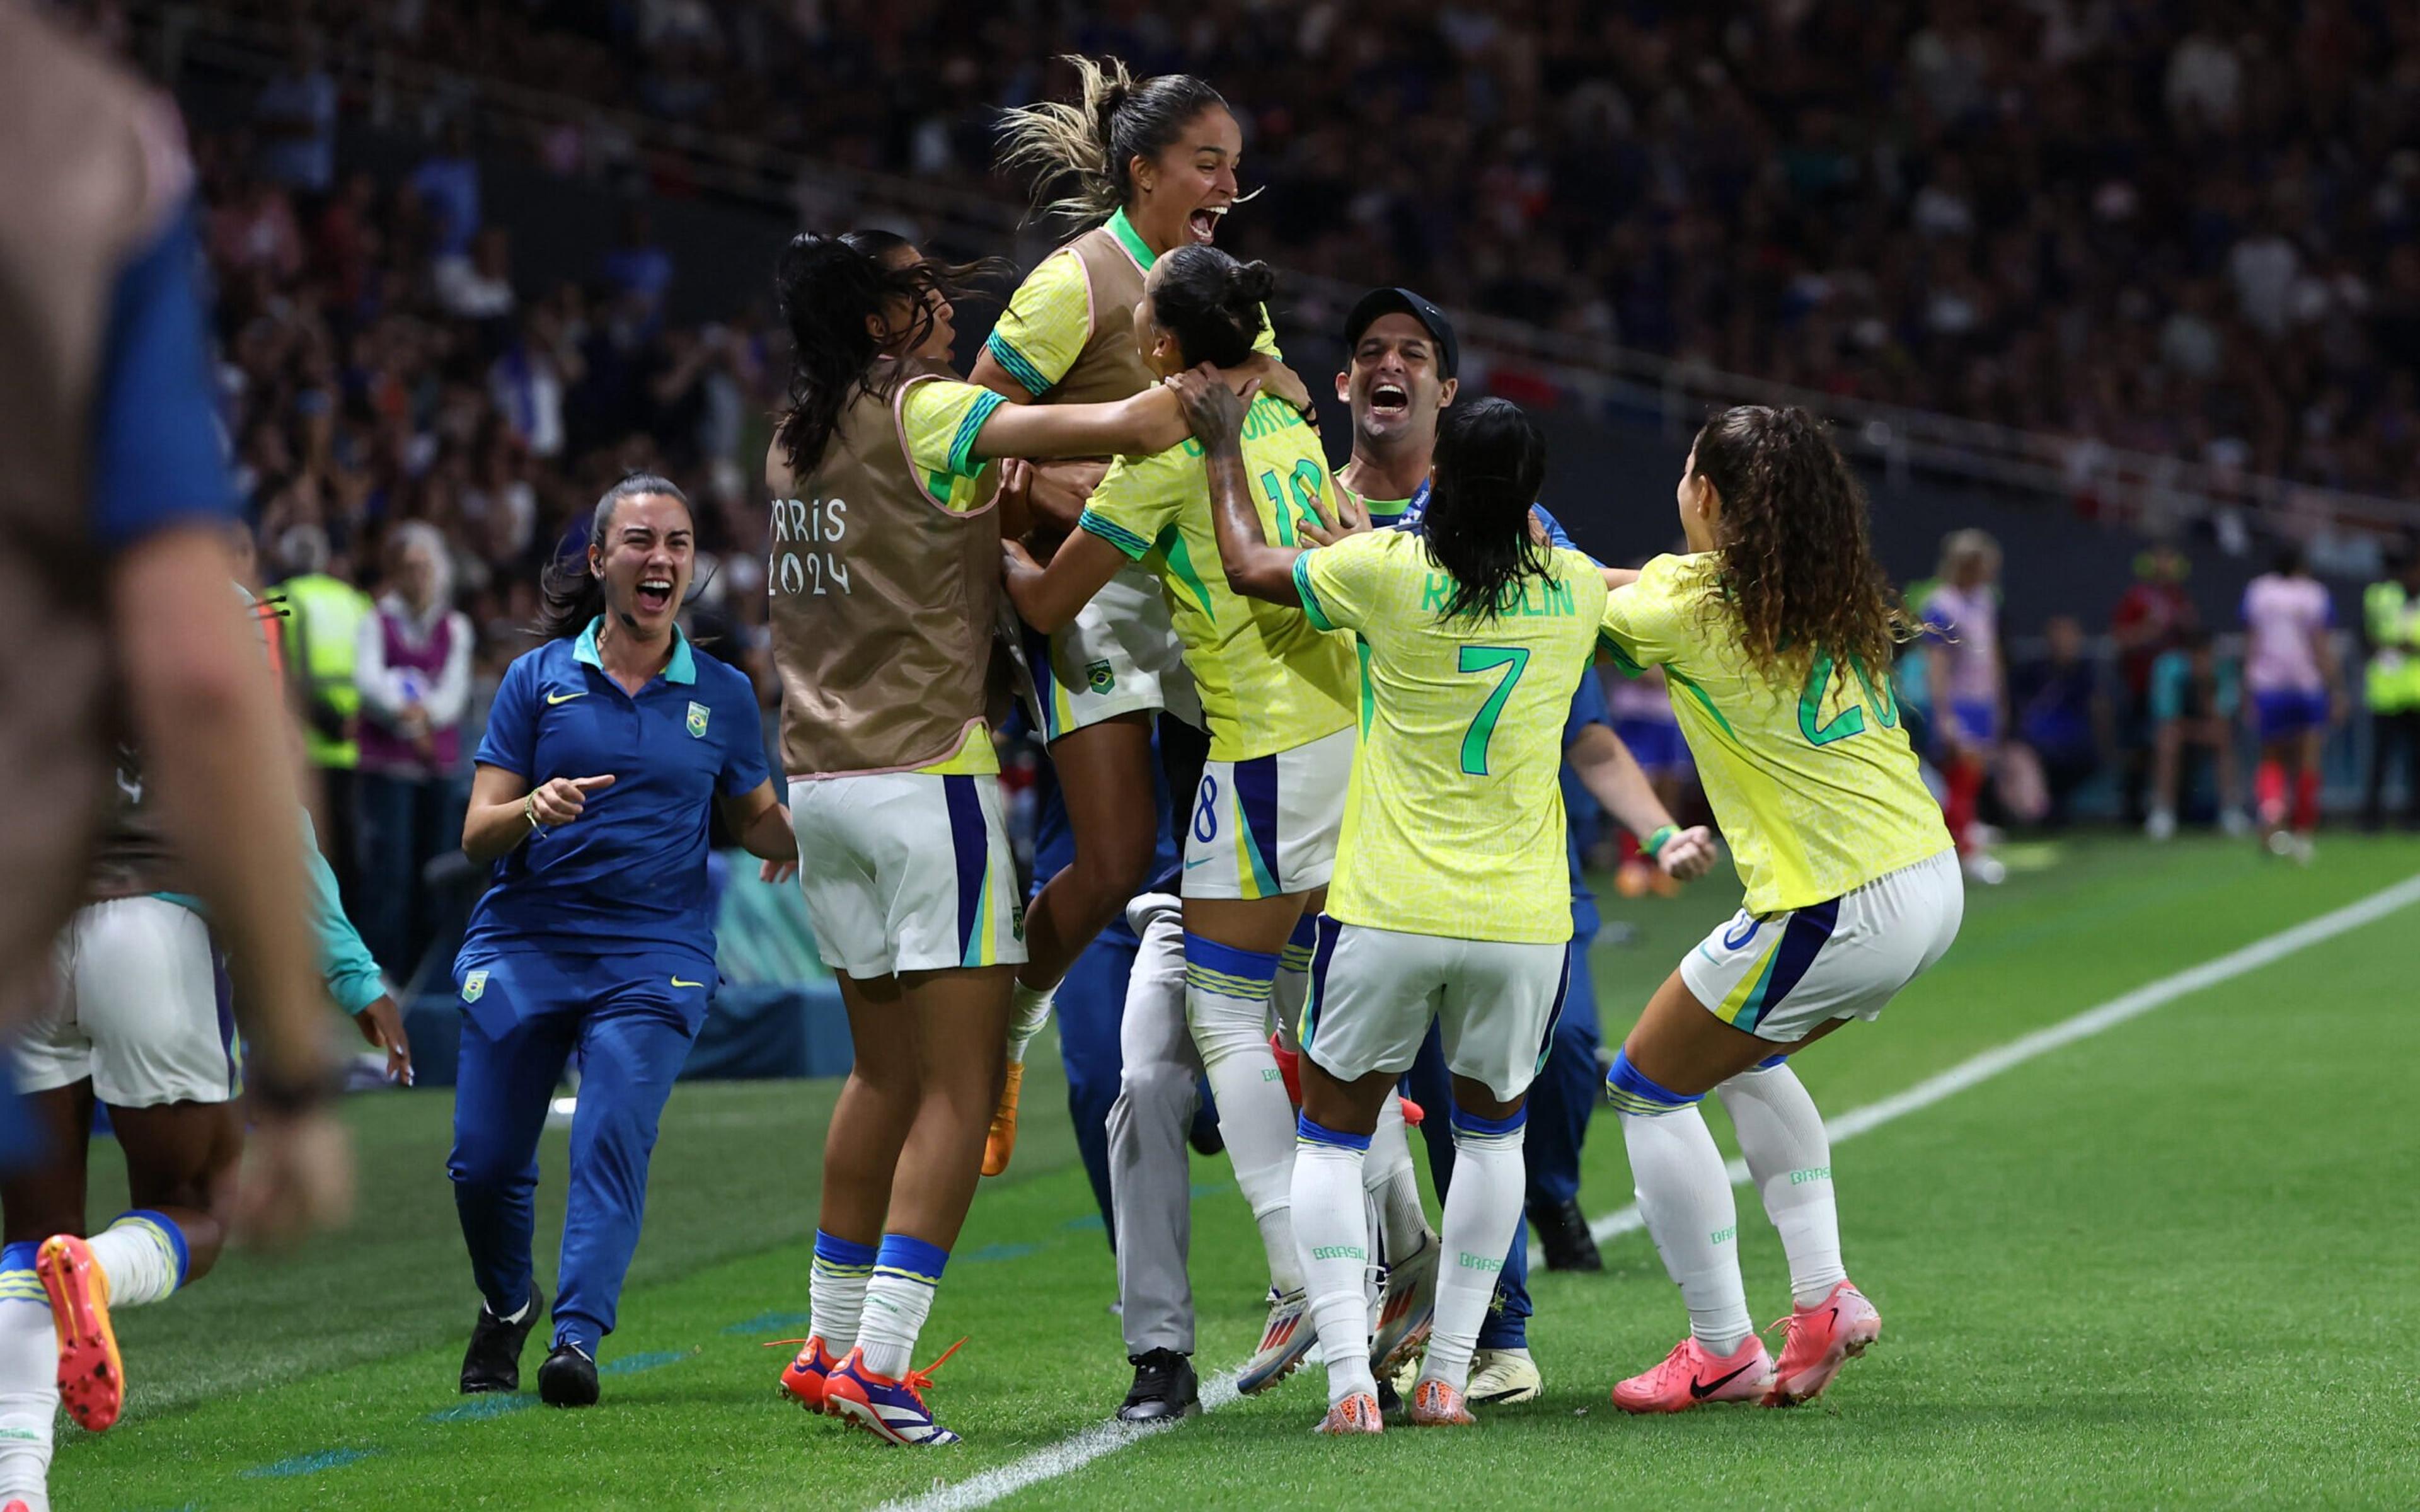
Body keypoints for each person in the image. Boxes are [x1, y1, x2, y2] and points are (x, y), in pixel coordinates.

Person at [1169, 382, 1714, 1432]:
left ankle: (1344, 1385)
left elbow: (1244, 567)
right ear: (1534, 498)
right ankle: (1455, 1377)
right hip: (1518, 922)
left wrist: (1226, 451)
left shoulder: (1386, 570)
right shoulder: (1568, 586)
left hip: (1386, 909)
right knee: (1493, 1139)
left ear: (1440, 479)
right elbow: (1645, 591)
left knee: (1331, 1141)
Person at [761, 230, 1214, 1446]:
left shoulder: (790, 443)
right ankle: (886, 1365)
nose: (946, 308)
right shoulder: (932, 412)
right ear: (876, 322)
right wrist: (1214, 365)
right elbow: (1130, 432)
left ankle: (824, 1341)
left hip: (819, 789)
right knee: (961, 1088)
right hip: (926, 783)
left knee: (880, 1075)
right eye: (919, 294)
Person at [1005, 245, 1397, 1401]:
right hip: (1353, 742)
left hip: (1268, 756)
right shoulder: (1283, 423)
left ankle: (1310, 1287)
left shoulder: (1168, 458)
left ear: (1167, 348)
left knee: (1223, 1027)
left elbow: (1047, 603)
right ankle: (1395, 1269)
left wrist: (989, 526)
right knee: (1325, 1018)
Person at [1, 592, 408, 1509]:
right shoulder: (208, 605)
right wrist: (351, 974)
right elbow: (265, 810)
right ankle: (99, 1270)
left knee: (24, 1241)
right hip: (150, 922)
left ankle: (18, 1482)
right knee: (202, 1200)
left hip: (24, 931)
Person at [1597, 406, 1961, 1415]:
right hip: (1930, 879)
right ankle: (1822, 1299)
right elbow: (1652, 588)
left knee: (1646, 1087)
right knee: (1748, 1053)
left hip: (1837, 902)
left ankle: (1720, 1349)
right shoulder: (1820, 589)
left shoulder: (1689, 603)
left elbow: (1567, 607)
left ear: (1706, 498)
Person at [977, 55, 1287, 1184]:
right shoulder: (1075, 280)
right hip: (1094, 593)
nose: (1228, 183)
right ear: (1143, 169)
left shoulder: (1221, 282)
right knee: (1110, 866)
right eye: (1209, 163)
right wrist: (1067, 495)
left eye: (1238, 167)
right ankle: (1003, 1038)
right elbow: (978, 425)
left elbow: (1258, 417)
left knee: (1263, 841)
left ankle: (1238, 1055)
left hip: (1206, 596)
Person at [449, 476, 794, 1409]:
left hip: (656, 954)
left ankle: (576, 1338)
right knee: (483, 1166)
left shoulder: (723, 694)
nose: (663, 559)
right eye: (641, 541)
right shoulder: (537, 679)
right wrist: (532, 806)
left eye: (679, 543)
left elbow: (757, 818)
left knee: (611, 1129)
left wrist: (831, 835)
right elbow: (478, 832)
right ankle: (506, 1303)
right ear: (601, 560)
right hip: (524, 943)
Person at [354, 521, 473, 978]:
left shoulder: (455, 626)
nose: (417, 575)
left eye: (425, 566)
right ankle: (382, 973)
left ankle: (427, 975)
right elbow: (368, 683)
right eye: (408, 567)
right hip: (389, 768)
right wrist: (410, 714)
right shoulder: (376, 620)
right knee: (391, 874)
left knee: (434, 875)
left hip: (437, 768)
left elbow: (454, 693)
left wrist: (421, 714)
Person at [276, 525, 371, 906]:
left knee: (307, 852)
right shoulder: (354, 600)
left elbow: (278, 674)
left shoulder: (280, 599)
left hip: (303, 748)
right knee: (349, 852)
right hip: (355, 743)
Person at [2241, 546, 2342, 860]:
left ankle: (2272, 826)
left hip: (2269, 685)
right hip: (2306, 685)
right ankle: (2303, 833)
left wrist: (2247, 689)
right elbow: (2320, 644)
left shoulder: (2259, 592)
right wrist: (2336, 688)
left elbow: (2252, 642)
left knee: (2272, 759)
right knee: (2308, 761)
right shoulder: (2313, 595)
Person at [1923, 530, 2007, 885]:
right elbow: (1937, 664)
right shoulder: (1941, 605)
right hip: (1957, 702)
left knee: (1971, 779)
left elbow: (1992, 653)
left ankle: (1965, 835)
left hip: (1983, 700)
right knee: (1959, 779)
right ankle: (1965, 852)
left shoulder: (1986, 600)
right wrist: (1944, 714)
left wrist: (2000, 699)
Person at [2007, 616, 2105, 828]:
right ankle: (2034, 815)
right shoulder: (2032, 673)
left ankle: (2046, 812)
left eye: (2070, 636)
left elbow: (2099, 712)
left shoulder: (2084, 675)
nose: (2065, 642)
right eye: (2059, 636)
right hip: (2036, 745)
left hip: (2075, 747)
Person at [2145, 629, 2245, 836]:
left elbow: (2221, 722)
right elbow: (2168, 721)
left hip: (2204, 732)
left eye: (2207, 657)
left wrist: (2208, 691)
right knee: (2167, 741)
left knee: (2224, 740)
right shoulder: (2169, 669)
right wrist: (2194, 730)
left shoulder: (2223, 671)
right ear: (2188, 656)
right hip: (2178, 733)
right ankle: (2163, 813)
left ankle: (2231, 812)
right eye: (2198, 658)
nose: (2203, 663)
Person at [2360, 546, 2420, 830]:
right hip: (2386, 690)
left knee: (2416, 762)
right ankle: (2372, 818)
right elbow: (2366, 634)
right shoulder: (2382, 596)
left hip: (2416, 690)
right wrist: (2391, 645)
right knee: (2381, 759)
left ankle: (2413, 817)